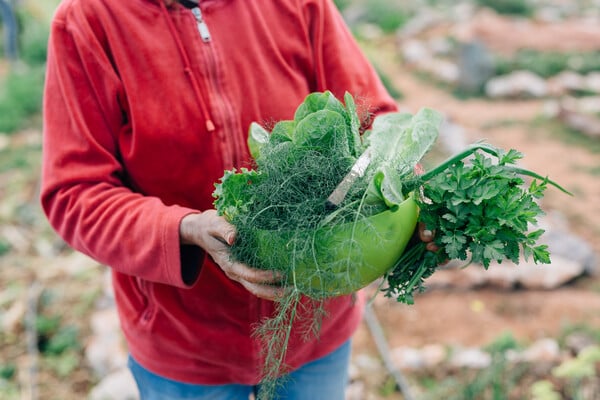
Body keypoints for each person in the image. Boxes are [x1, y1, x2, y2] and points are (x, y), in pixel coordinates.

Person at [41, 0, 435, 398]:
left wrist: (412, 195)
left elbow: (381, 125)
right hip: (185, 347)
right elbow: (74, 192)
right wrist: (183, 229)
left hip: (313, 325)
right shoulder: (87, 21)